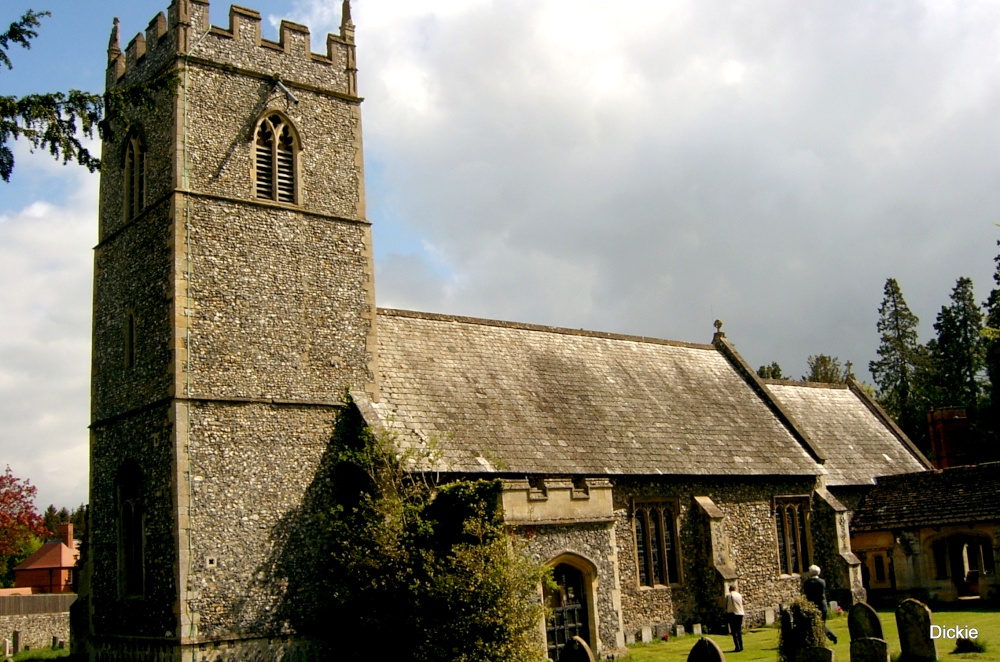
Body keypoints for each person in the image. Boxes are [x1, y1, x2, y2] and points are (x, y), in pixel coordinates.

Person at [803, 565, 838, 645]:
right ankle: (825, 638)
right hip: (822, 605)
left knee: (815, 624)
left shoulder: (807, 583)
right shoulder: (822, 582)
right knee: (822, 624)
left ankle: (828, 637)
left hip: (812, 605)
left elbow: (806, 594)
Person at [725, 583, 745, 652]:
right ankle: (741, 646)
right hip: (740, 613)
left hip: (732, 614)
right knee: (739, 631)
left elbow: (727, 606)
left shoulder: (729, 596)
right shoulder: (739, 595)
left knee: (734, 632)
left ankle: (737, 647)